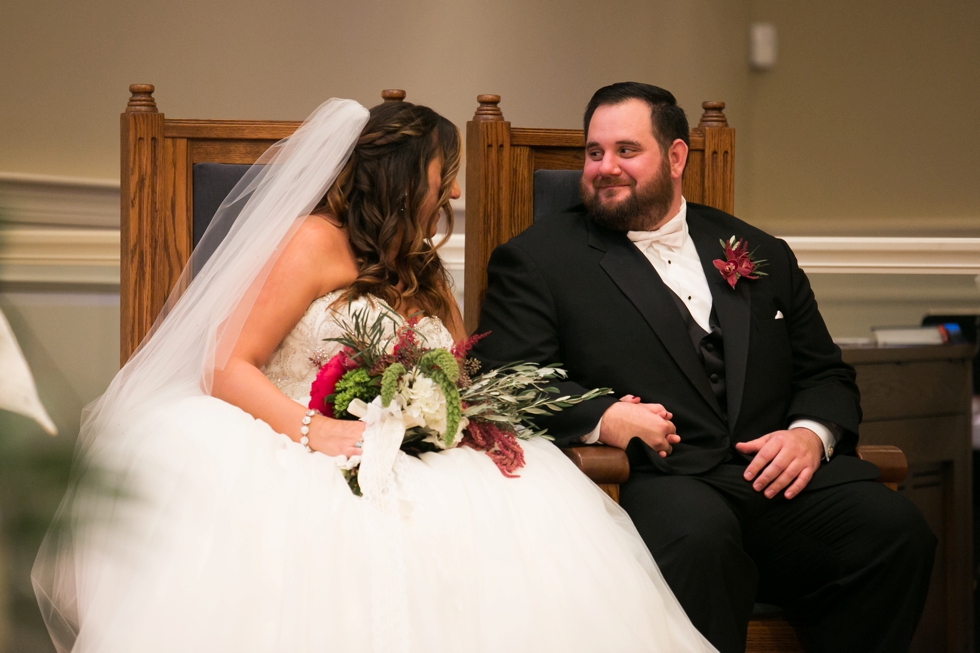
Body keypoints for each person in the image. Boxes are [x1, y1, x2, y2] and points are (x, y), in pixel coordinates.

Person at [32, 97, 717, 652]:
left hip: (408, 444)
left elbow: (457, 365)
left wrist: (446, 407)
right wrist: (314, 427)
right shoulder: (310, 243)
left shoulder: (420, 265)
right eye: (441, 171)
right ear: (401, 174)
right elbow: (223, 365)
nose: (451, 188)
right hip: (290, 433)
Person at [473, 82, 937, 653]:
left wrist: (810, 437)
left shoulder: (760, 251)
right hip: (655, 482)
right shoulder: (538, 258)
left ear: (675, 157)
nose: (604, 168)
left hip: (774, 486)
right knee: (700, 540)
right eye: (594, 153)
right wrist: (603, 417)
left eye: (626, 150)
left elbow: (826, 373)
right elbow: (506, 380)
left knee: (894, 531)